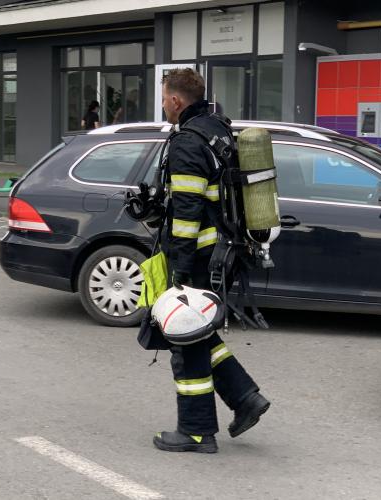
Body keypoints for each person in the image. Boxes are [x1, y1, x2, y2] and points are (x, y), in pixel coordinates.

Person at [152, 68, 270, 454]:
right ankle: (245, 398)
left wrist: (181, 273)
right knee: (200, 332)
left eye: (165, 97)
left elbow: (187, 213)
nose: (164, 104)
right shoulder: (216, 128)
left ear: (175, 100)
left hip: (198, 256)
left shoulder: (188, 141)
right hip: (223, 249)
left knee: (185, 337)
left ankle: (197, 431)